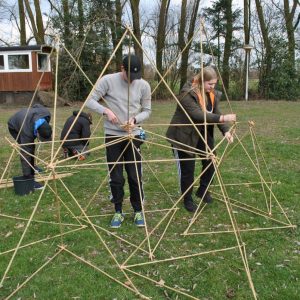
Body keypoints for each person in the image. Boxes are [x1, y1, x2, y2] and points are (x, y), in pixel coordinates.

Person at [86, 54, 151, 228]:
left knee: (134, 175)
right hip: (113, 135)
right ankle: (118, 211)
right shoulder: (108, 80)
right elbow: (90, 101)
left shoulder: (144, 85)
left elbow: (147, 110)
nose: (132, 81)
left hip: (133, 135)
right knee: (116, 176)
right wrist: (106, 111)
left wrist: (135, 120)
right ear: (122, 68)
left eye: (135, 77)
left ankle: (138, 210)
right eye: (129, 76)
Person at [166, 66, 236, 212]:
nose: (212, 87)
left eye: (214, 84)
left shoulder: (212, 94)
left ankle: (203, 190)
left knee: (211, 160)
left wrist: (226, 130)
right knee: (188, 170)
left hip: (203, 134)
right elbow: (198, 114)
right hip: (184, 136)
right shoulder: (187, 94)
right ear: (201, 81)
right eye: (210, 84)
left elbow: (215, 112)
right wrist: (223, 118)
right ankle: (187, 199)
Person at [7, 104, 52, 190]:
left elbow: (37, 105)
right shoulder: (27, 130)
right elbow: (26, 153)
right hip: (14, 125)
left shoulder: (47, 114)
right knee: (27, 149)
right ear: (37, 132)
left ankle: (32, 167)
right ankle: (28, 178)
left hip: (27, 118)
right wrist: (29, 178)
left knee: (31, 145)